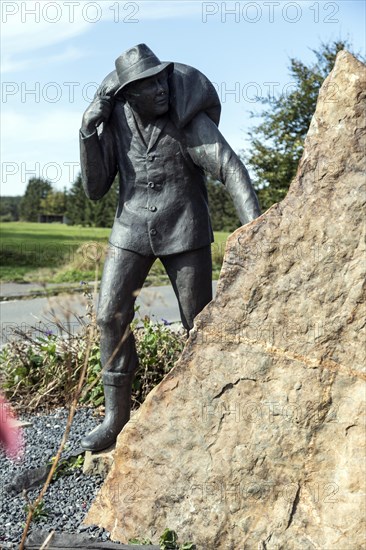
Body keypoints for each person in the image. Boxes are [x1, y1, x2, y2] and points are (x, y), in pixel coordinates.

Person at [79, 44, 260, 451]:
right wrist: (88, 133)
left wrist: (255, 227)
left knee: (197, 324)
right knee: (110, 316)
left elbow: (230, 168)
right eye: (149, 85)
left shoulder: (187, 120)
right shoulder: (114, 123)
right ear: (127, 94)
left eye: (162, 78)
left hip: (185, 229)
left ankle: (205, 413)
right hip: (130, 230)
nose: (161, 88)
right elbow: (94, 189)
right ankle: (116, 418)